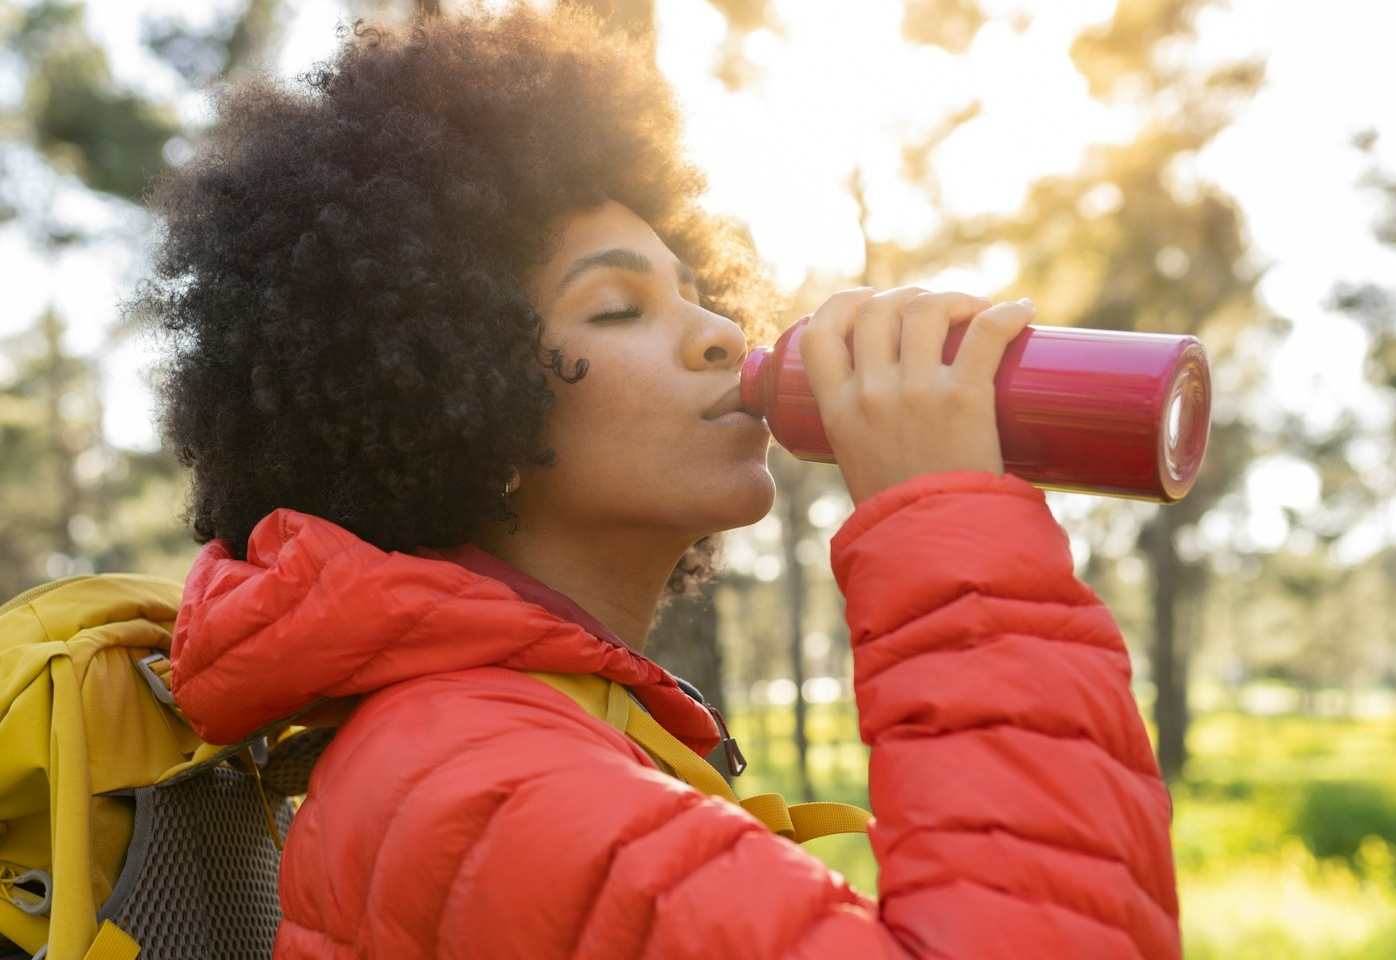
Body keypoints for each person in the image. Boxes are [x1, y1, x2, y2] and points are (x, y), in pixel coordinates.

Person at [142, 7, 1178, 958]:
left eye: (694, 292)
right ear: (451, 397)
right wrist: (950, 534)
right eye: (618, 309)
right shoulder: (486, 790)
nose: (724, 333)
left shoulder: (497, 748)